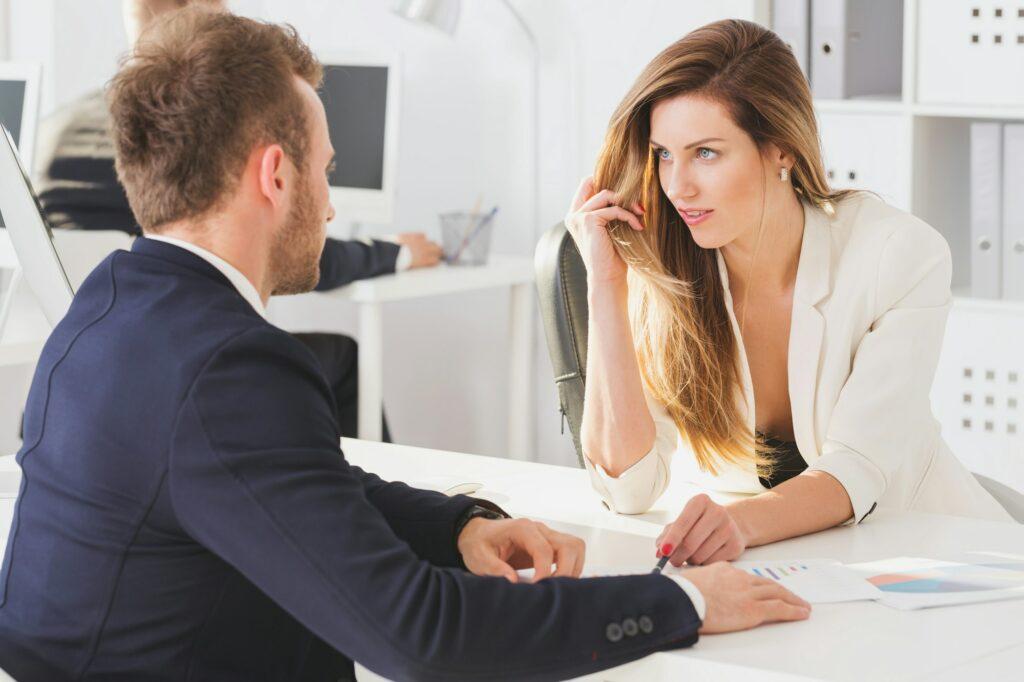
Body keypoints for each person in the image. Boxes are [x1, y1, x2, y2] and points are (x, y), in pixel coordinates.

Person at [0, 9, 810, 681]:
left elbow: (298, 482)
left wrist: (460, 528)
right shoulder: (228, 368)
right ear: (276, 176)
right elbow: (422, 636)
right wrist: (686, 605)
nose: (328, 208)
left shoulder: (107, 309)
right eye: (326, 170)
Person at [566, 19, 1011, 569]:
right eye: (663, 154)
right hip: (783, 569)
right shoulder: (662, 268)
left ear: (781, 150)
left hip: (934, 560)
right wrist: (607, 283)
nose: (677, 185)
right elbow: (627, 490)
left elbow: (857, 467)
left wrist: (734, 527)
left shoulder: (899, 253)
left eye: (706, 152)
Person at [30, 0, 443, 439]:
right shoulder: (183, 127)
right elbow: (281, 238)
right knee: (335, 359)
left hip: (81, 371)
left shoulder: (59, 126)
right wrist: (395, 252)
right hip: (173, 363)